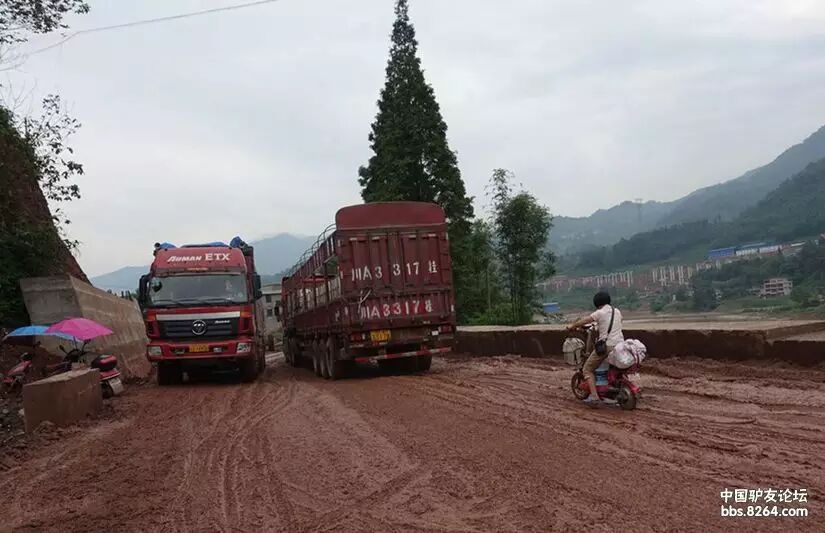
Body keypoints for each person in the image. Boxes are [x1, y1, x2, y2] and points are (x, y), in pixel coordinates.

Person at [567, 291, 624, 405]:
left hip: (607, 346)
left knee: (587, 369)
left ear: (596, 303)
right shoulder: (617, 311)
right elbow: (614, 322)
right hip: (620, 345)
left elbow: (585, 320)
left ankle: (594, 397)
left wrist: (572, 326)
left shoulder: (599, 313)